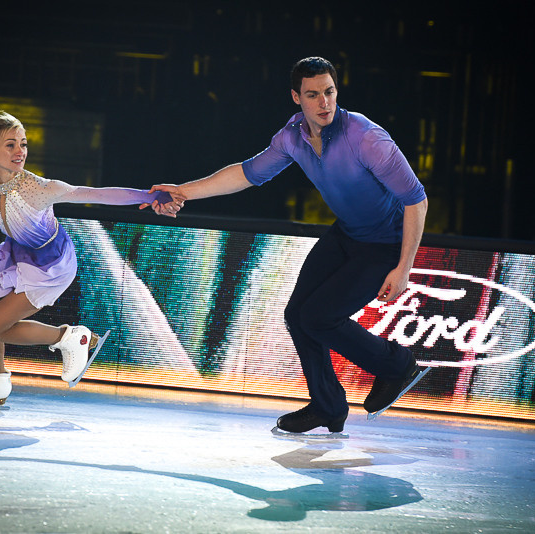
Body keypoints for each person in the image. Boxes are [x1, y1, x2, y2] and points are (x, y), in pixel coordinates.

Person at [143, 57, 428, 433]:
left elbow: (416, 199)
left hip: (385, 243)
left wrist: (404, 266)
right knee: (297, 316)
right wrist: (183, 192)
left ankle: (396, 366)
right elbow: (245, 174)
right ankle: (328, 406)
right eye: (313, 95)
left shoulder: (366, 137)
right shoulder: (292, 137)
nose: (324, 102)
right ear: (297, 97)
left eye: (329, 92)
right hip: (347, 234)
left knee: (319, 317)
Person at [0, 112, 177, 407]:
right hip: (17, 256)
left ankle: (69, 337)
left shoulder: (39, 189)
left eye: (24, 144)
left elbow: (95, 194)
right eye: (11, 145)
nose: (20, 152)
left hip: (49, 266)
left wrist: (148, 195)